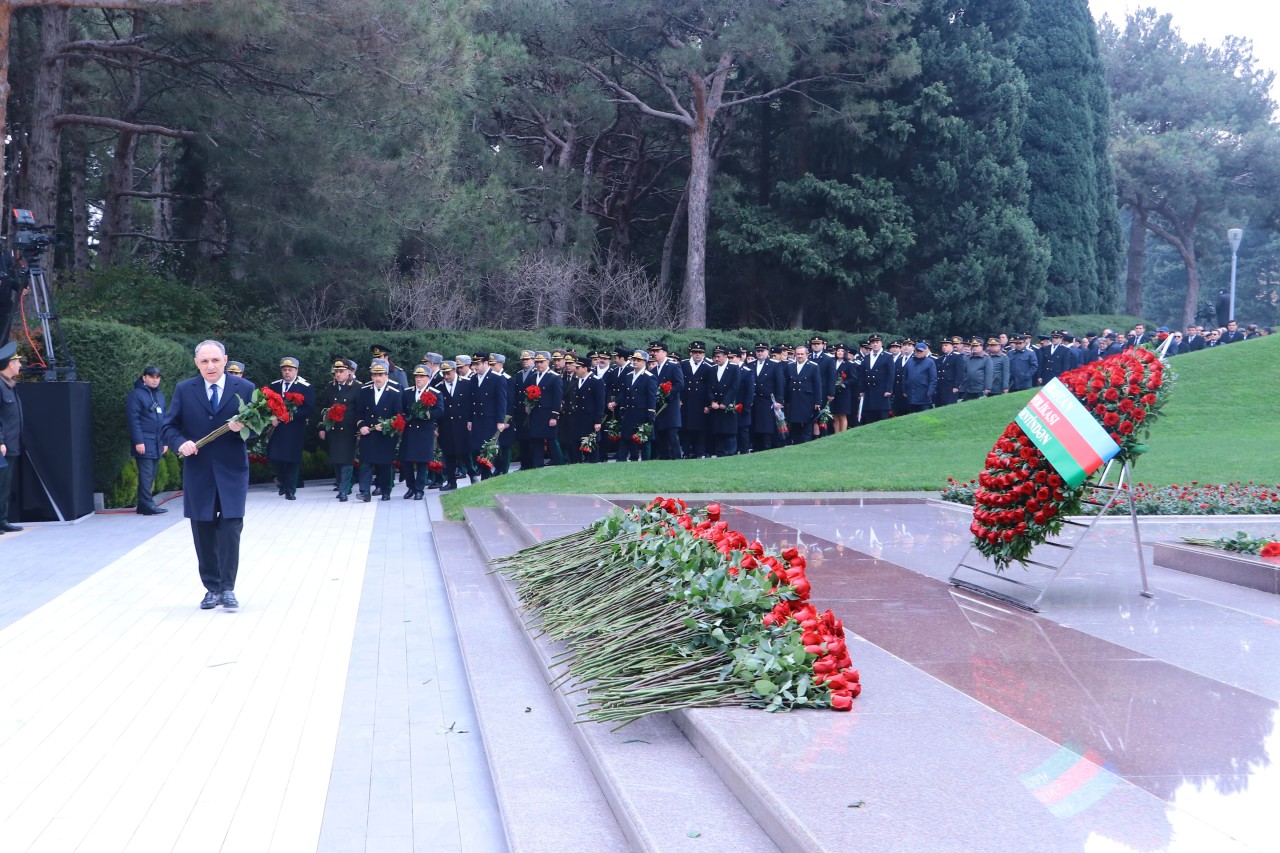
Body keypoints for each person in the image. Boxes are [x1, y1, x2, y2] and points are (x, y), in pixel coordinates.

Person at [163, 340, 255, 610]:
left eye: (215, 360)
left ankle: (227, 588)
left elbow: (261, 427)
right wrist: (180, 442)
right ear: (197, 364)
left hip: (232, 472)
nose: (210, 366)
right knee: (202, 530)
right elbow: (169, 426)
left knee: (230, 530)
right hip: (198, 471)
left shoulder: (246, 389)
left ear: (225, 360)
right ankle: (211, 588)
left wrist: (244, 427)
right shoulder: (184, 389)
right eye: (204, 361)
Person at [266, 356, 314, 500]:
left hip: (294, 428)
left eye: (290, 370)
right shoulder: (274, 386)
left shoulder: (305, 386)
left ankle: (290, 489)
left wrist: (291, 416)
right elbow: (266, 404)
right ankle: (282, 482)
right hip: (278, 428)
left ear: (296, 371)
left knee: (292, 459)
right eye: (284, 370)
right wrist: (272, 418)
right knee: (275, 457)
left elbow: (309, 407)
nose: (287, 372)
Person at [356, 358, 402, 501]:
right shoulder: (364, 391)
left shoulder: (395, 391)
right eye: (375, 375)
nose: (377, 378)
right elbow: (358, 412)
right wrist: (361, 425)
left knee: (384, 465)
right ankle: (364, 492)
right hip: (368, 433)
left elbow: (399, 415)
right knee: (366, 463)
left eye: (380, 375)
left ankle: (386, 490)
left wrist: (388, 425)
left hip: (385, 434)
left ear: (386, 375)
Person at [127, 365, 169, 514]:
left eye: (157, 377)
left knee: (151, 474)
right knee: (146, 474)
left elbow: (164, 419)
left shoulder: (160, 395)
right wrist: (139, 441)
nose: (155, 380)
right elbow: (133, 420)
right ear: (144, 377)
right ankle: (147, 504)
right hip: (144, 441)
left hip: (157, 441)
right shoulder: (136, 395)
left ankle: (144, 505)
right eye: (151, 377)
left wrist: (165, 441)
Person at [317, 358, 360, 501]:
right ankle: (342, 484)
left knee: (347, 460)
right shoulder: (330, 387)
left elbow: (360, 410)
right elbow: (324, 408)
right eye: (336, 372)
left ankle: (344, 489)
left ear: (349, 372)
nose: (338, 375)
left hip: (349, 429)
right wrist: (323, 427)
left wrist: (360, 427)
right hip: (334, 429)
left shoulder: (357, 387)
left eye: (341, 372)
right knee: (336, 459)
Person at [400, 364, 444, 498]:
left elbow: (440, 411)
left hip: (425, 431)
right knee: (406, 461)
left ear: (428, 378)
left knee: (422, 462)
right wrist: (404, 418)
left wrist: (427, 414)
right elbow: (401, 409)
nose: (418, 379)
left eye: (422, 376)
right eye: (417, 376)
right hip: (410, 431)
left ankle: (419, 489)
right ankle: (411, 487)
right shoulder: (407, 392)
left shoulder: (435, 393)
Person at [519, 351, 563, 470]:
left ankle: (560, 463)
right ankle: (537, 465)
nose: (539, 365)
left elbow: (557, 398)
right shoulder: (533, 377)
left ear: (548, 362)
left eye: (541, 362)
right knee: (536, 440)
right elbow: (527, 393)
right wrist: (527, 405)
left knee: (552, 440)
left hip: (548, 413)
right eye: (537, 362)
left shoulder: (554, 377)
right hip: (535, 413)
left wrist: (554, 416)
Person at [469, 353, 508, 480]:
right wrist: (469, 419)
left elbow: (502, 401)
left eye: (477, 364)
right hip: (477, 419)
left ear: (486, 363)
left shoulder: (497, 378)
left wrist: (500, 421)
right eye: (473, 364)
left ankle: (487, 475)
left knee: (487, 449)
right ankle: (485, 470)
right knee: (475, 448)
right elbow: (471, 401)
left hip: (490, 420)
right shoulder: (474, 379)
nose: (475, 367)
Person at [0, 342, 26, 532]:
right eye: (17, 362)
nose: (20, 365)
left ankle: (2, 520)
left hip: (12, 443)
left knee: (5, 486)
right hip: (4, 445)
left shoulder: (9, 385)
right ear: (10, 363)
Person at [618, 350, 657, 461]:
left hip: (642, 413)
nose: (635, 362)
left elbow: (651, 396)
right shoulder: (628, 376)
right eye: (634, 359)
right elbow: (625, 394)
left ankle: (646, 461)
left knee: (643, 441)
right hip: (629, 412)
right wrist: (622, 408)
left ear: (645, 362)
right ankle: (622, 461)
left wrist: (650, 412)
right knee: (626, 439)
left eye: (638, 360)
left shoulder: (649, 377)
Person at [648, 341, 685, 459]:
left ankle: (676, 457)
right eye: (653, 351)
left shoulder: (673, 365)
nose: (655, 354)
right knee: (661, 433)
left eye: (658, 351)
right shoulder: (653, 370)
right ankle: (664, 456)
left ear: (665, 352)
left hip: (670, 405)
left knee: (672, 434)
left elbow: (679, 384)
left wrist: (667, 394)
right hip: (659, 407)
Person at [749, 342, 785, 451]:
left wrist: (779, 401)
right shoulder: (751, 364)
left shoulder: (774, 365)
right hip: (754, 400)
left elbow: (780, 383)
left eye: (762, 351)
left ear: (767, 352)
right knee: (754, 427)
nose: (760, 353)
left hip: (767, 401)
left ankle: (767, 448)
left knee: (766, 428)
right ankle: (756, 448)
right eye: (758, 351)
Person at [784, 344, 822, 443]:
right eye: (797, 354)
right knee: (795, 424)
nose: (800, 356)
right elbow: (787, 383)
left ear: (807, 355)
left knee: (807, 425)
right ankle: (796, 443)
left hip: (807, 400)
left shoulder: (813, 366)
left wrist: (818, 401)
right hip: (794, 399)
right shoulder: (790, 366)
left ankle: (806, 444)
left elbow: (817, 385)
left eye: (802, 354)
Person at [707, 345, 739, 455]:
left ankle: (731, 453)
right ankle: (719, 453)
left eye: (718, 356)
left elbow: (734, 387)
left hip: (727, 406)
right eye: (715, 357)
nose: (716, 359)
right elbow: (709, 387)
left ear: (725, 356)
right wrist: (712, 401)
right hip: (716, 406)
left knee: (729, 433)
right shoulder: (712, 369)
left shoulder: (734, 368)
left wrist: (725, 402)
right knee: (718, 432)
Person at [859, 335, 894, 424]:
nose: (875, 345)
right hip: (869, 391)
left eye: (877, 342)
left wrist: (888, 389)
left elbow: (891, 374)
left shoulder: (887, 356)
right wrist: (862, 389)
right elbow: (862, 374)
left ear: (881, 344)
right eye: (873, 343)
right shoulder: (866, 357)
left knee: (882, 418)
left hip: (882, 391)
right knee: (869, 418)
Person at [902, 342, 937, 413]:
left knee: (925, 415)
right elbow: (904, 377)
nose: (918, 352)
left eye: (920, 351)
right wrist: (904, 390)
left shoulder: (930, 362)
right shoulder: (909, 361)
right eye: (917, 351)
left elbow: (933, 378)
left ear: (925, 351)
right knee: (912, 415)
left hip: (924, 394)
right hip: (911, 394)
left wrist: (930, 391)